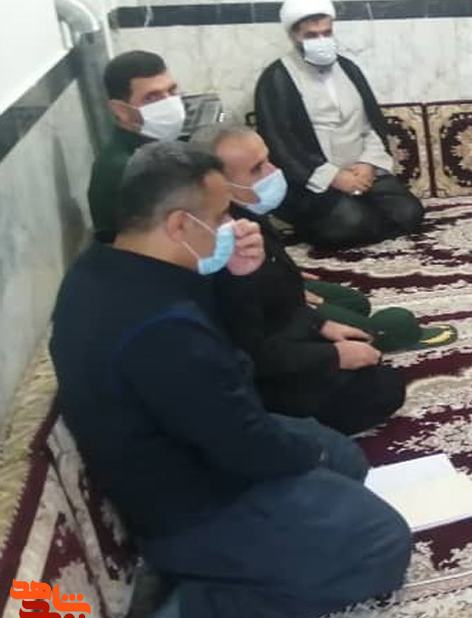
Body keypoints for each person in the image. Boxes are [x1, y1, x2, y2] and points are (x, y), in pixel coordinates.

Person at [50, 143, 411, 618]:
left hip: (194, 450)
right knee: (383, 542)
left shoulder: (107, 269)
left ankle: (270, 545)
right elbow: (243, 444)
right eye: (220, 215)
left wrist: (237, 279)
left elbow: (233, 361)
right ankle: (196, 610)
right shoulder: (160, 328)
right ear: (180, 224)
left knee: (344, 457)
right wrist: (306, 459)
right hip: (193, 505)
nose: (232, 225)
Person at [189, 124, 456, 430]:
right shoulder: (217, 247)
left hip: (288, 319)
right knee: (383, 379)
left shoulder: (244, 215)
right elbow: (247, 348)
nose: (274, 172)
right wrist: (331, 355)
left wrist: (319, 323)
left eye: (268, 160)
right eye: (257, 169)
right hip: (267, 363)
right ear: (216, 184)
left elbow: (277, 291)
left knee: (354, 304)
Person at [254, 0, 425, 249]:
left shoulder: (349, 69)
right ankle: (348, 221)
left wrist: (367, 164)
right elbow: (281, 146)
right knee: (350, 223)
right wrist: (334, 177)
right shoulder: (277, 78)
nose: (321, 40)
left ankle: (357, 220)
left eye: (326, 33)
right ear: (293, 36)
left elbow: (371, 125)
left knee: (410, 213)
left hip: (362, 173)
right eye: (311, 35)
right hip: (314, 182)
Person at [88, 51, 186, 241]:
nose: (169, 103)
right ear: (121, 111)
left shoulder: (158, 146)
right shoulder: (125, 169)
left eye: (172, 91)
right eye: (152, 98)